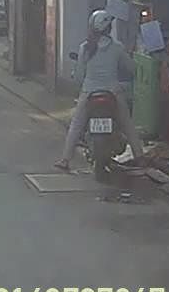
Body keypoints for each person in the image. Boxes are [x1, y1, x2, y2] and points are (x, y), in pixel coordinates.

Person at [55, 10, 148, 172]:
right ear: (108, 28)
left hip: (89, 91)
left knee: (76, 125)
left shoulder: (85, 47)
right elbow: (131, 68)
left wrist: (79, 83)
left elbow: (79, 75)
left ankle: (65, 160)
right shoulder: (117, 47)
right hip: (113, 92)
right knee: (127, 124)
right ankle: (140, 157)